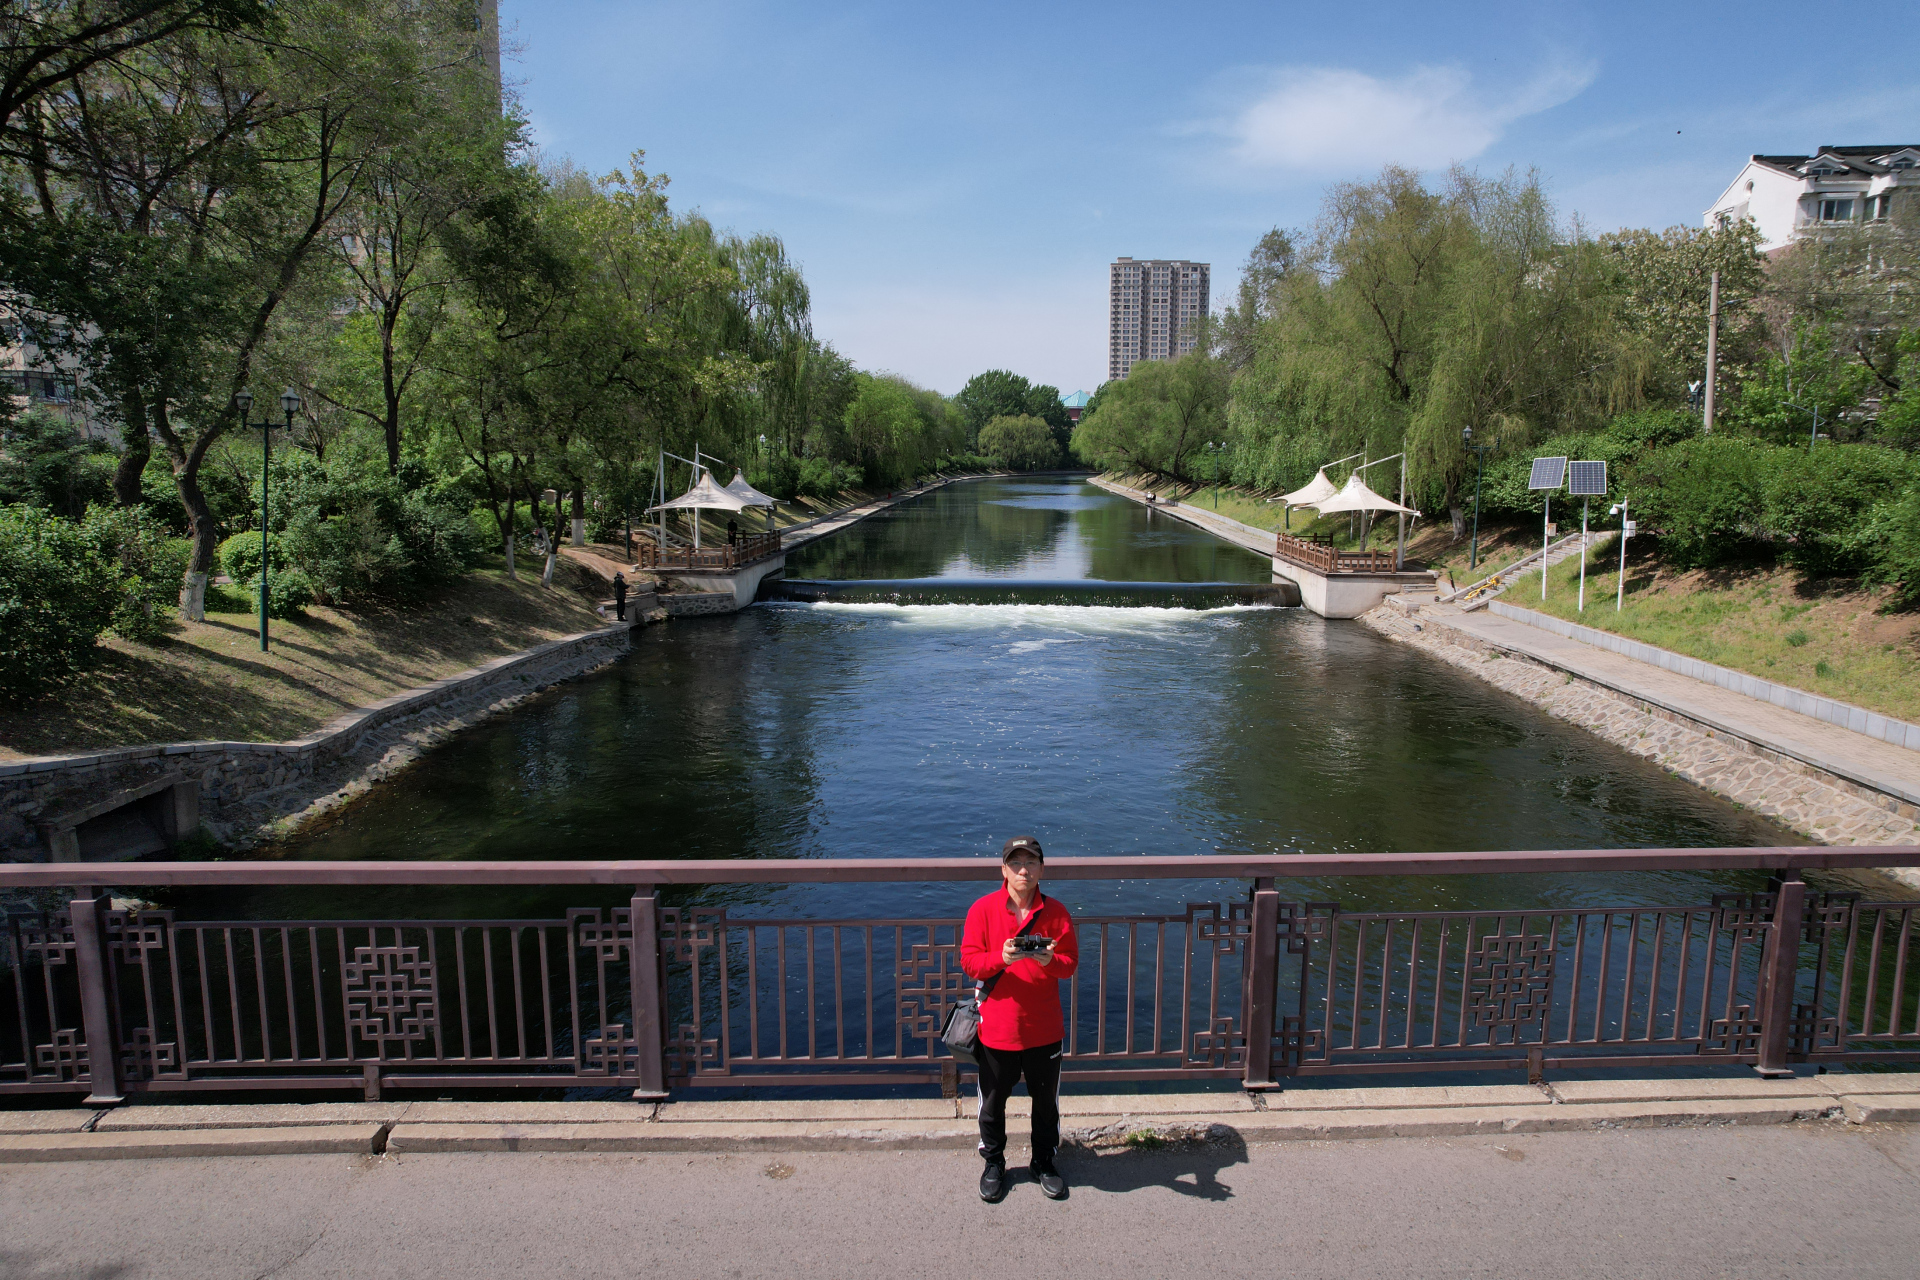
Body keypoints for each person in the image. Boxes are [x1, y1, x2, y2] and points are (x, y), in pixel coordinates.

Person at [961, 835, 1079, 1203]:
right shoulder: (982, 909)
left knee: (1046, 1104)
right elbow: (969, 962)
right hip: (997, 1028)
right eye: (1015, 863)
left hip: (1044, 1028)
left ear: (1042, 869)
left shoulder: (1056, 913)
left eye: (1030, 863)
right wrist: (1001, 958)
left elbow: (1070, 964)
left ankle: (1043, 1162)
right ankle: (993, 1162)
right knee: (993, 1104)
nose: (1023, 870)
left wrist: (1049, 961)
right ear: (1004, 870)